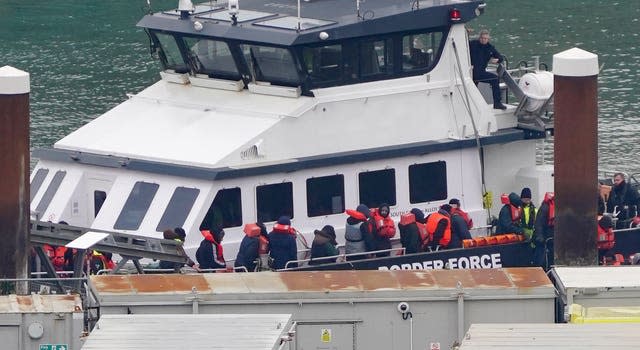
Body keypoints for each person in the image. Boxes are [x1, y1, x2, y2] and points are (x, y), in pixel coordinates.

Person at [469, 29, 507, 110]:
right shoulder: (473, 44)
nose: (483, 40)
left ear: (488, 39)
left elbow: (500, 57)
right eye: (482, 38)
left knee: (495, 79)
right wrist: (466, 33)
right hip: (471, 71)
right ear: (479, 38)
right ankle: (471, 106)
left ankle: (497, 103)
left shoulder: (490, 48)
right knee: (473, 88)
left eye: (485, 38)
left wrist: (498, 60)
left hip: (481, 72)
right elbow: (462, 44)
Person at [533, 192, 555, 268]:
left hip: (553, 238)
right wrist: (540, 237)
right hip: (546, 237)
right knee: (544, 258)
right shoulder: (545, 207)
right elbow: (539, 223)